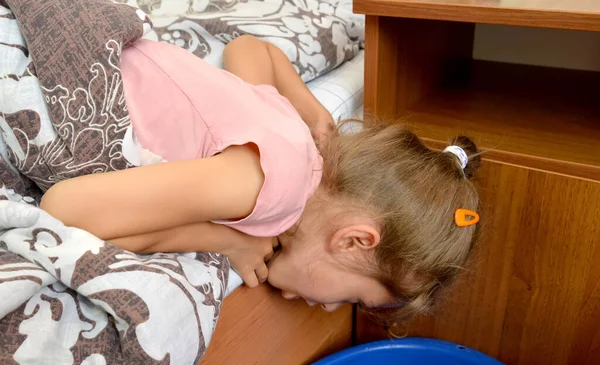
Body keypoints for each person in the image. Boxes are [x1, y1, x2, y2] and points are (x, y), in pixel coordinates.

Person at [40, 35, 481, 325]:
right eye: (353, 301)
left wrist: (312, 113)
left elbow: (249, 47)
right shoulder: (269, 188)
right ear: (353, 241)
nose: (328, 308)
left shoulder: (299, 150)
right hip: (69, 68)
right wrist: (223, 240)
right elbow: (61, 210)